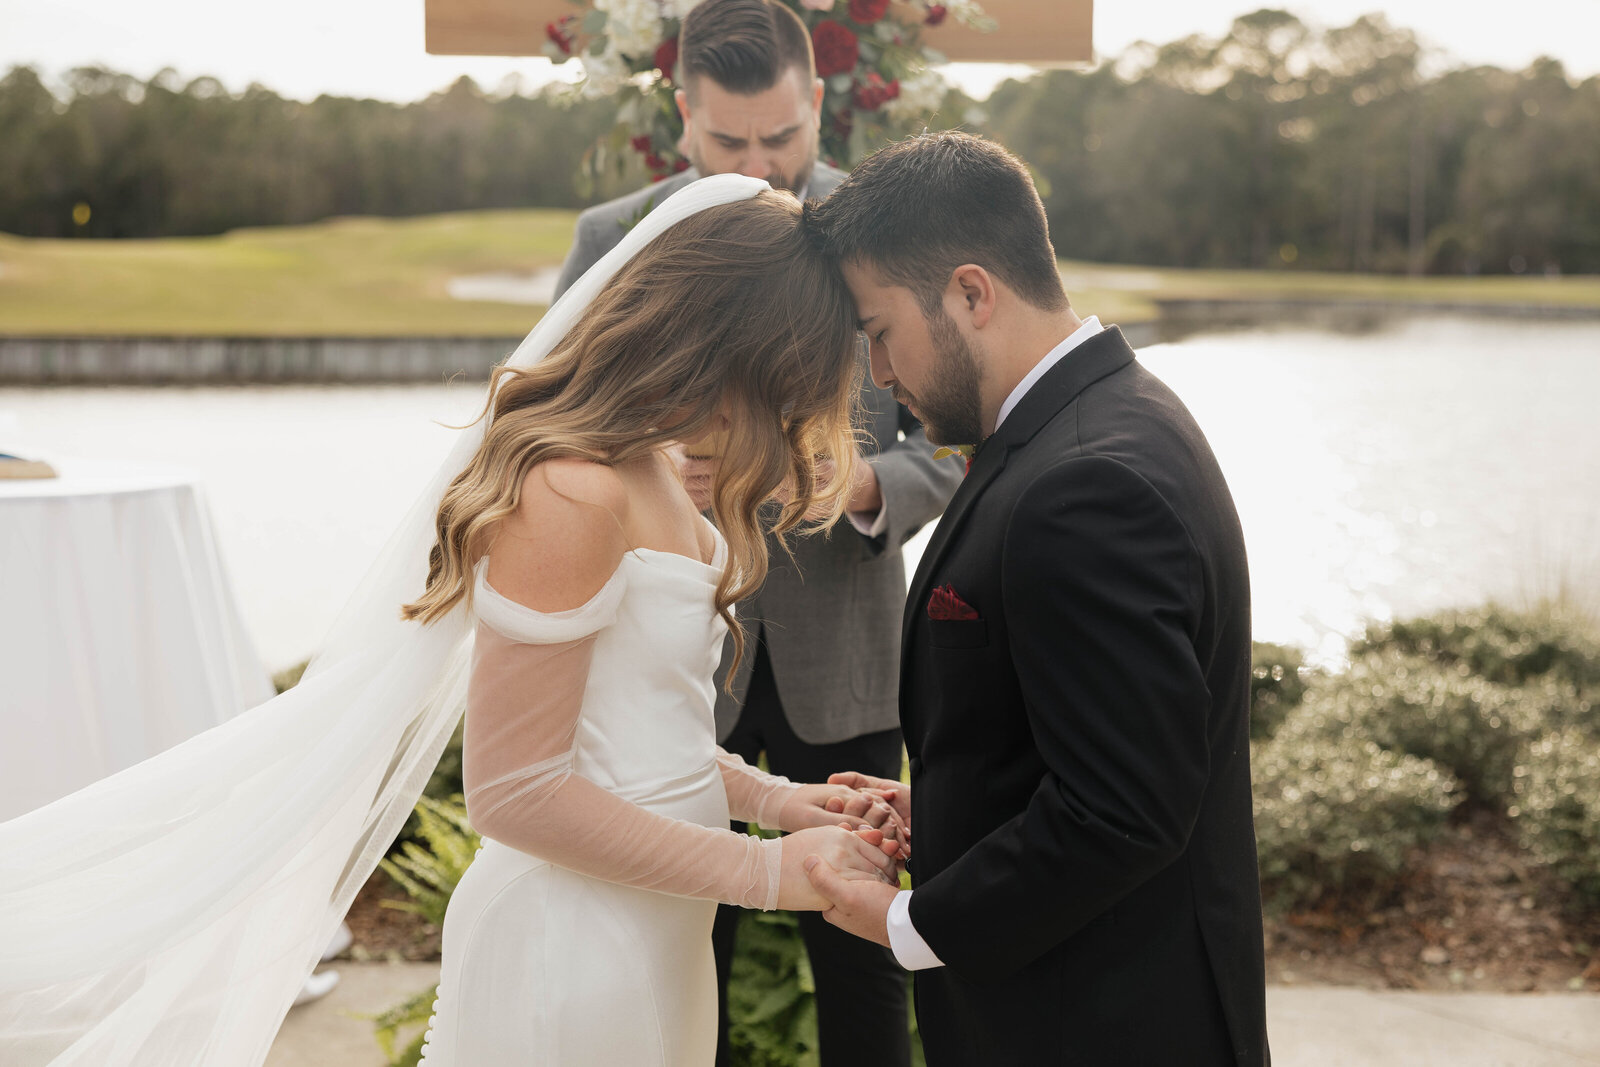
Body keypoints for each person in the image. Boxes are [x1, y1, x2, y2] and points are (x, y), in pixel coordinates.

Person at [0, 177, 903, 1066]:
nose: (775, 421)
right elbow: (514, 791)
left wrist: (778, 801)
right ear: (712, 343)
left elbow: (636, 732)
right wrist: (766, 872)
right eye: (775, 386)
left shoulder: (658, 471)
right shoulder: (570, 489)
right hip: (572, 943)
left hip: (655, 927)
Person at [799, 132, 1273, 1065]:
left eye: (879, 332)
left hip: (1103, 1025)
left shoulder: (1091, 483)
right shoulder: (1092, 420)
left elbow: (1123, 809)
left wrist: (910, 921)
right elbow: (1081, 740)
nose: (881, 375)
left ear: (971, 293)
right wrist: (942, 808)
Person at [553, 3, 961, 1063]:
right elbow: (553, 432)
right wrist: (645, 466)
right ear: (681, 113)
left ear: (818, 101)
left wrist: (870, 477)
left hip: (850, 659)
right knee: (683, 941)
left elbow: (961, 445)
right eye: (729, 141)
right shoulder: (611, 241)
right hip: (675, 662)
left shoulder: (884, 233)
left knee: (865, 955)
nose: (760, 165)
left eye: (780, 138)